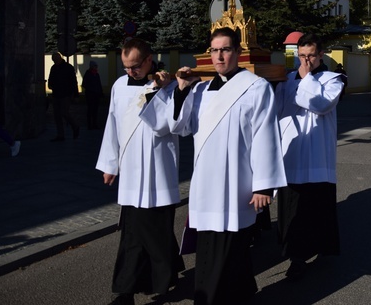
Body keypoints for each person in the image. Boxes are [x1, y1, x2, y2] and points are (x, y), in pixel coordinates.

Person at [146, 27, 287, 305]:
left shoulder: (255, 87)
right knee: (215, 247)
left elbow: (266, 136)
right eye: (214, 50)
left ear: (237, 52)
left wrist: (264, 186)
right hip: (206, 181)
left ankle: (210, 299)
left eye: (225, 49)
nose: (219, 56)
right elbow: (180, 126)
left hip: (237, 181)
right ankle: (240, 291)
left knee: (227, 247)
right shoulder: (201, 89)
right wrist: (182, 91)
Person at [96, 38, 184, 305]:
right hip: (132, 171)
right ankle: (125, 292)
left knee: (157, 230)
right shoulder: (119, 85)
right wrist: (110, 164)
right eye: (125, 67)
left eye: (134, 66)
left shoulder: (167, 87)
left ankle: (162, 279)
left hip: (158, 168)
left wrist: (159, 89)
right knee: (132, 234)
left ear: (148, 60)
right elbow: (112, 124)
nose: (129, 72)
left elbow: (166, 125)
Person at [275, 33, 343, 280]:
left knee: (317, 207)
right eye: (301, 56)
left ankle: (322, 248)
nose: (305, 61)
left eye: (310, 56)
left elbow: (321, 104)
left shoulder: (333, 78)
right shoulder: (287, 79)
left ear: (321, 55)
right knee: (293, 209)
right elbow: (277, 109)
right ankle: (296, 256)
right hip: (292, 153)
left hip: (317, 156)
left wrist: (305, 80)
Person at [47, 52, 79, 141]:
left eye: (55, 59)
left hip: (66, 94)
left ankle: (75, 126)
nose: (54, 61)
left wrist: (75, 95)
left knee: (64, 112)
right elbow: (51, 79)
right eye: (53, 60)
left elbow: (73, 82)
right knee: (57, 115)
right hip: (56, 94)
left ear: (59, 58)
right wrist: (51, 85)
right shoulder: (54, 68)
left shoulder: (68, 68)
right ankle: (60, 135)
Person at [82, 60, 103, 129]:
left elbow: (99, 84)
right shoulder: (88, 74)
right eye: (95, 66)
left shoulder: (96, 74)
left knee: (95, 110)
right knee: (90, 110)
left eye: (96, 66)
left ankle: (94, 124)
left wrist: (100, 92)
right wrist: (91, 89)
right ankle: (89, 125)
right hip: (90, 95)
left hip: (96, 95)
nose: (96, 67)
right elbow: (84, 84)